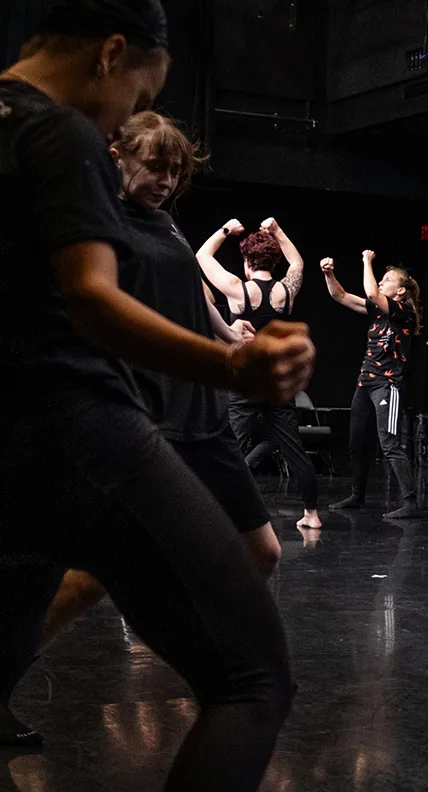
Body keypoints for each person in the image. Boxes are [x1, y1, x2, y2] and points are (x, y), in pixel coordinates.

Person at [0, 3, 313, 792]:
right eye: (142, 86)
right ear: (110, 53)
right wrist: (235, 365)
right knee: (254, 680)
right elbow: (94, 303)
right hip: (79, 431)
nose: (130, 108)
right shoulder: (58, 133)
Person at [4, 111, 287, 724]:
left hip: (203, 412)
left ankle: (222, 670)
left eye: (176, 171)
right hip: (144, 413)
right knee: (86, 580)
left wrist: (228, 337)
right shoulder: (98, 225)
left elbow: (194, 293)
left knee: (262, 551)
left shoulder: (163, 220)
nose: (166, 180)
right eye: (156, 166)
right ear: (117, 157)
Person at [197, 214, 322, 528]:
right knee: (293, 447)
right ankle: (312, 515)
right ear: (273, 261)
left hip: (245, 381)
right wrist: (278, 230)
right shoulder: (285, 291)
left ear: (246, 261)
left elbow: (201, 256)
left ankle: (218, 509)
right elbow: (299, 263)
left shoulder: (237, 288)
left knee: (233, 446)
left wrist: (227, 229)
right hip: (277, 382)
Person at [321, 252, 422, 518]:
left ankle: (410, 501)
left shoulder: (404, 312)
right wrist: (328, 274)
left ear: (400, 290)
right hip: (365, 384)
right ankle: (358, 494)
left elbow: (374, 293)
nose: (380, 282)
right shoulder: (377, 311)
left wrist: (366, 261)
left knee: (389, 442)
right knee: (356, 441)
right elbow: (340, 296)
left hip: (387, 386)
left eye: (386, 279)